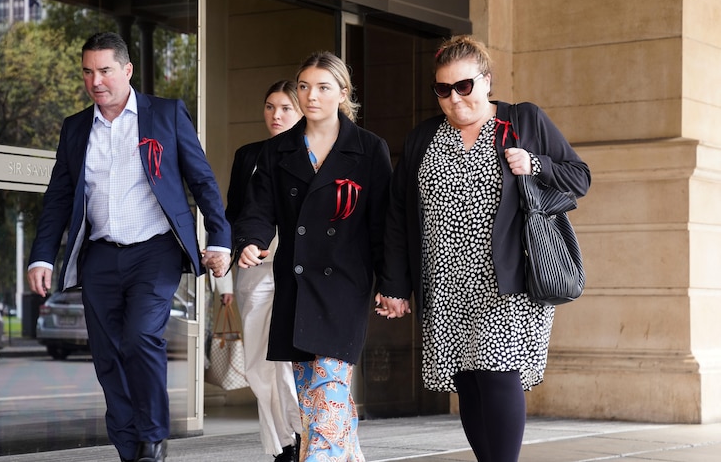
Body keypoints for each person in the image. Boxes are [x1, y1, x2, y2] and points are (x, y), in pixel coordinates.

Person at [374, 35, 591, 462]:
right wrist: (395, 283)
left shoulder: (523, 120)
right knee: (469, 380)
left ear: (486, 81)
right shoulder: (422, 139)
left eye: (465, 86)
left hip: (506, 281)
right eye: (443, 89)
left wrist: (537, 164)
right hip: (445, 282)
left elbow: (579, 177)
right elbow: (398, 215)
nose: (455, 98)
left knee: (497, 373)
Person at [27, 31, 231, 462]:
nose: (95, 81)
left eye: (104, 71)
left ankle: (154, 437)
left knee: (141, 338)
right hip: (99, 255)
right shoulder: (76, 128)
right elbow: (59, 198)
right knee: (106, 355)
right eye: (87, 71)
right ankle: (128, 447)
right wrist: (42, 255)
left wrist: (221, 239)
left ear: (127, 70)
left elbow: (202, 181)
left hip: (154, 251)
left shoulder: (167, 115)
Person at [234, 52, 392, 462]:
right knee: (316, 397)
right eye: (304, 86)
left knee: (328, 387)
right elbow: (258, 207)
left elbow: (384, 225)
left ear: (343, 93)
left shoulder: (369, 150)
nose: (311, 96)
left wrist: (392, 285)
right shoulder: (277, 151)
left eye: (323, 87)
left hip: (345, 287)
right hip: (297, 286)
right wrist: (251, 240)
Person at [221, 80, 305, 461]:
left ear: (303, 109)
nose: (276, 115)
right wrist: (235, 251)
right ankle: (280, 446)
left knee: (287, 363)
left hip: (300, 272)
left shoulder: (316, 153)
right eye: (270, 107)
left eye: (286, 107)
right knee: (259, 364)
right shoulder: (248, 156)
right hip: (255, 270)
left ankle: (298, 436)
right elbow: (234, 214)